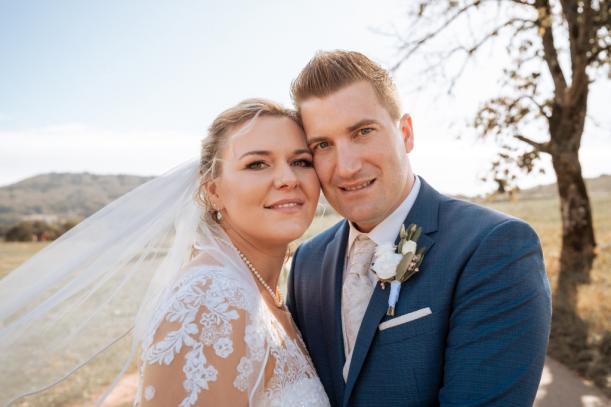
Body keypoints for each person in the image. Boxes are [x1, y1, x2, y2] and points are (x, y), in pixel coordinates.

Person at [0, 99, 330, 406]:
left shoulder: (265, 290)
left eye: (300, 161)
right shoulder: (211, 301)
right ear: (214, 191)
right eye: (257, 164)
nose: (288, 179)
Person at [286, 50, 552, 407]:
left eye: (363, 131)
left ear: (406, 133)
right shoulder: (307, 261)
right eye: (323, 145)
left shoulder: (495, 247)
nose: (346, 167)